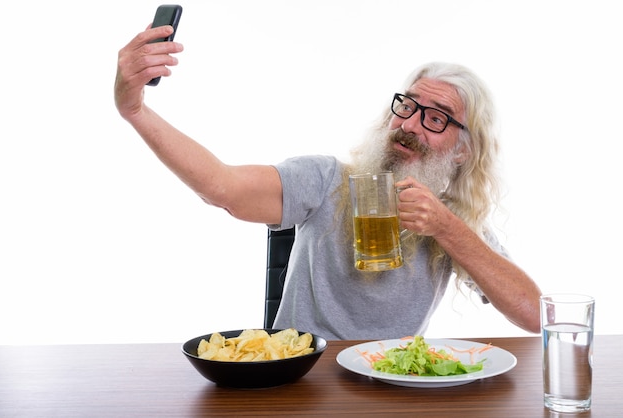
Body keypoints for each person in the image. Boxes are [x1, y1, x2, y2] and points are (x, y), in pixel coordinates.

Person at [114, 24, 542, 340]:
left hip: (392, 382)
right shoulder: (324, 179)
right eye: (407, 106)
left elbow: (535, 316)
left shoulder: (452, 220)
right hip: (302, 377)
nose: (410, 124)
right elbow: (222, 189)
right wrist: (135, 110)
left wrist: (447, 227)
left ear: (464, 150)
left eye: (435, 118)